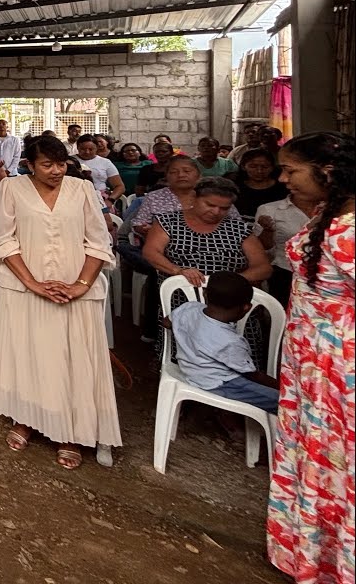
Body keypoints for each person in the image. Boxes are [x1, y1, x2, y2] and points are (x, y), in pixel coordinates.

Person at [0, 134, 120, 470]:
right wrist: (32, 283)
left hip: (74, 287)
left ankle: (70, 431)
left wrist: (79, 285)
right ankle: (25, 418)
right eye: (47, 164)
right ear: (29, 165)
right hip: (24, 287)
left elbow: (99, 243)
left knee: (71, 357)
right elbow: (4, 240)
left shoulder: (82, 190)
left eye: (60, 163)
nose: (56, 171)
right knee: (28, 353)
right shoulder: (12, 189)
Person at [266, 131, 354, 584]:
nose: (283, 179)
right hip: (311, 361)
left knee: (338, 462)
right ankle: (312, 553)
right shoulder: (329, 213)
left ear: (329, 173)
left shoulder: (352, 228)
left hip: (340, 370)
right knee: (316, 455)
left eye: (291, 171)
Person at [143, 176, 273, 363]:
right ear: (194, 198)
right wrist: (178, 270)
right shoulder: (168, 221)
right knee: (186, 351)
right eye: (210, 205)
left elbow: (263, 268)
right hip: (182, 299)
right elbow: (151, 252)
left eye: (224, 208)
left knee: (237, 352)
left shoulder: (238, 228)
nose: (216, 212)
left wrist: (227, 284)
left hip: (229, 304)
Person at [166, 271, 278, 413]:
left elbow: (166, 322)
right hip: (221, 384)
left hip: (190, 371)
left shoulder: (189, 308)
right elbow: (252, 374)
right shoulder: (231, 341)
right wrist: (283, 386)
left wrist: (187, 332)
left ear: (205, 294)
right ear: (246, 307)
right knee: (283, 401)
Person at [255, 188, 318, 307]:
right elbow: (263, 247)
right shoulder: (269, 209)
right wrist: (267, 230)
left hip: (325, 275)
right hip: (285, 273)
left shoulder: (335, 210)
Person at [233, 148, 287, 217]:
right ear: (243, 167)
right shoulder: (235, 188)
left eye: (265, 167)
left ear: (272, 167)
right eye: (253, 166)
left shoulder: (283, 188)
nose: (259, 171)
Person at [73, 134, 125, 205]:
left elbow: (120, 186)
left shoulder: (105, 162)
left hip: (100, 199)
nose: (87, 152)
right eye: (83, 149)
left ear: (96, 148)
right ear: (77, 147)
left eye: (91, 149)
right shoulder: (70, 161)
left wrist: (110, 200)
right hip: (74, 197)